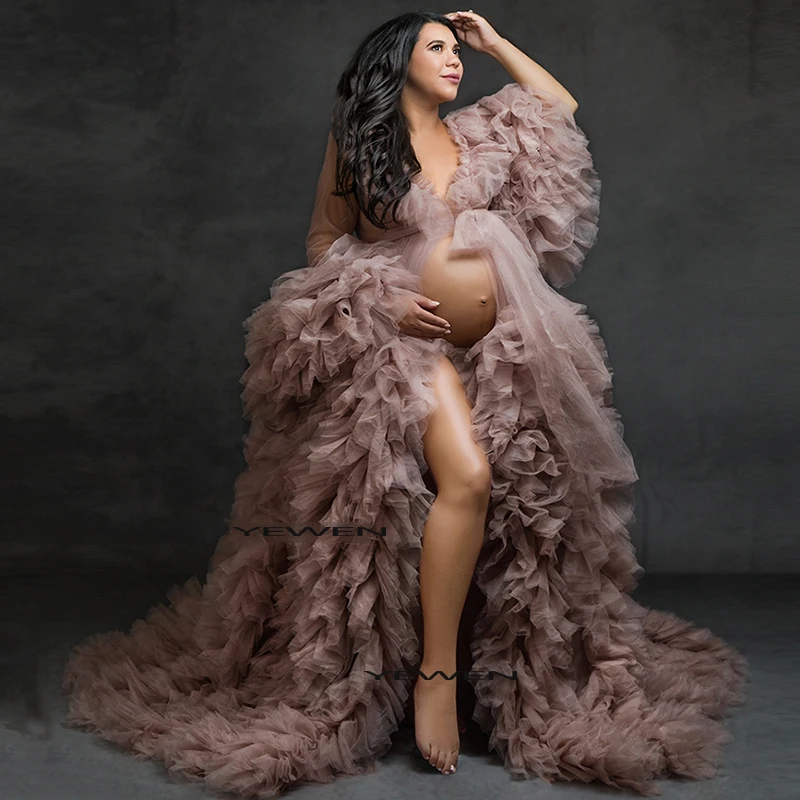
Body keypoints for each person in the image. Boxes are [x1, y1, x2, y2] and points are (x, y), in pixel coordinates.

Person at [62, 10, 749, 796]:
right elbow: (323, 240)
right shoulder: (361, 143)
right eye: (439, 48)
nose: (455, 60)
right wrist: (379, 298)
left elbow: (557, 107)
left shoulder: (479, 133)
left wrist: (495, 43)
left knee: (526, 501)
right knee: (469, 477)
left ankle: (482, 665)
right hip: (403, 349)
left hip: (501, 349)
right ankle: (435, 677)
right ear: (398, 62)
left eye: (457, 50)